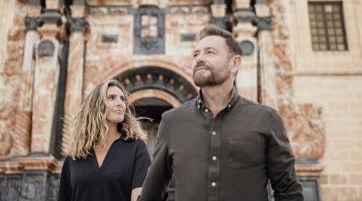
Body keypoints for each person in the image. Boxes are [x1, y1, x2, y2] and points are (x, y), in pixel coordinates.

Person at [140, 24, 304, 201]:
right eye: (196, 54)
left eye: (210, 52)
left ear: (234, 63)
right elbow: (152, 192)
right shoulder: (172, 121)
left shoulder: (266, 119)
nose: (199, 59)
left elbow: (288, 191)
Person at [58, 79, 151, 201]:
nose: (120, 103)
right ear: (96, 105)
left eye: (122, 99)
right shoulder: (75, 155)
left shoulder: (136, 147)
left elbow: (139, 196)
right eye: (112, 98)